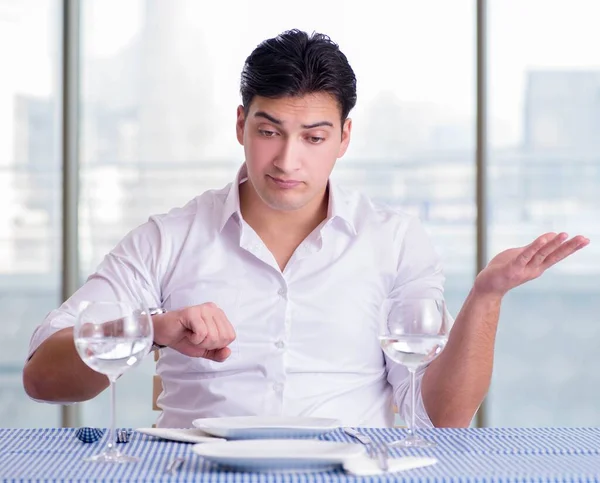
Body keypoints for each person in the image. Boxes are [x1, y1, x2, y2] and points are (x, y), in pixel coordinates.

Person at [22, 29, 589, 429]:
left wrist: (487, 296)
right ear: (241, 124)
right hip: (193, 472)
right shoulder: (167, 238)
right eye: (270, 131)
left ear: (345, 138)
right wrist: (151, 329)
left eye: (314, 137)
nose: (288, 160)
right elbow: (42, 379)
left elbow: (443, 415)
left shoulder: (394, 241)